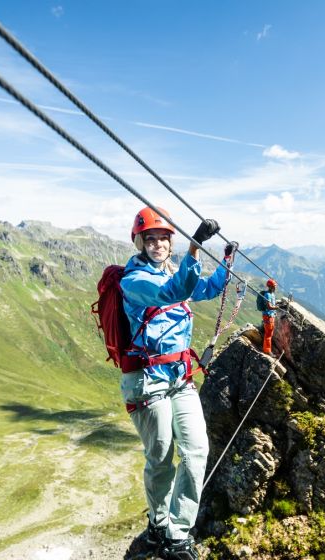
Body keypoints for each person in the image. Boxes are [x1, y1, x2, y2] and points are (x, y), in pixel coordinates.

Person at [120, 206, 231, 560]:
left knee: (197, 451)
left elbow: (207, 288)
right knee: (162, 458)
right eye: (149, 239)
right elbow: (172, 292)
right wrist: (195, 247)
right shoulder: (133, 281)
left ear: (170, 243)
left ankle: (178, 532)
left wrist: (226, 260)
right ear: (140, 243)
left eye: (163, 238)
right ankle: (158, 524)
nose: (156, 245)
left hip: (179, 379)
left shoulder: (171, 272)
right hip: (148, 381)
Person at [261, 278, 278, 355]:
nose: (275, 288)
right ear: (270, 287)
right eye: (274, 286)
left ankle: (266, 348)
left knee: (270, 333)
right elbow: (269, 307)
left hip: (271, 316)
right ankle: (267, 350)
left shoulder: (272, 294)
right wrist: (277, 308)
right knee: (268, 333)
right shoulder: (267, 295)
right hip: (268, 316)